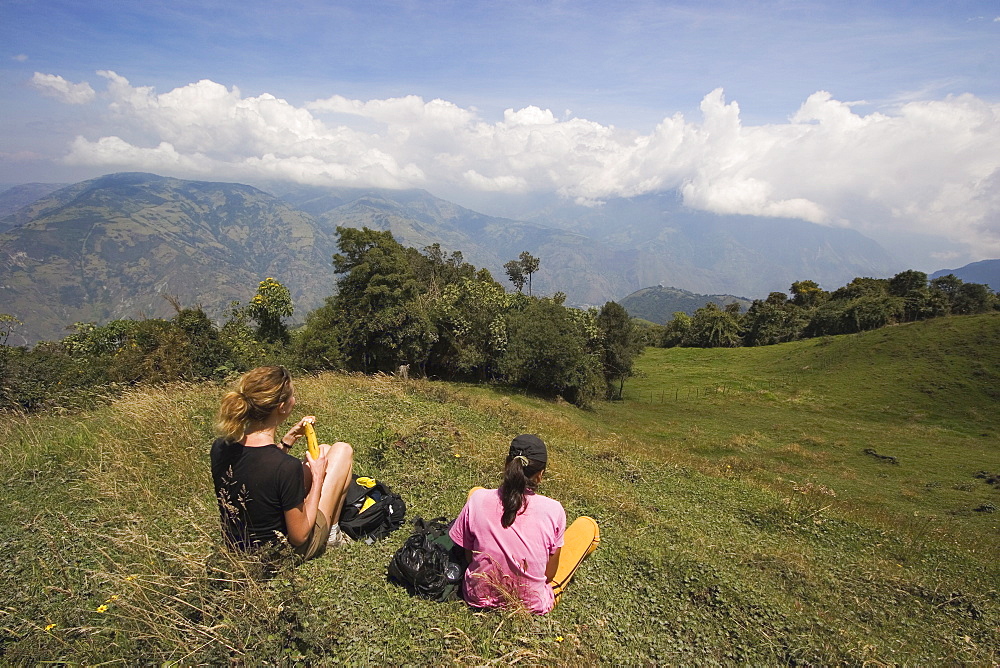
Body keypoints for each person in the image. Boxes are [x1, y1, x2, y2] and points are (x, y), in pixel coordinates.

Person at [211, 366, 354, 561]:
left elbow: (259, 468)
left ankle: (332, 531)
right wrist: (319, 477)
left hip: (239, 547)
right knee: (342, 451)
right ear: (282, 407)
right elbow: (299, 536)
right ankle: (331, 534)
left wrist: (287, 441)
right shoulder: (285, 466)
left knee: (326, 449)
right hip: (280, 554)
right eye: (292, 396)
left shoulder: (221, 447)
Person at [449, 434, 599, 614]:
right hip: (530, 604)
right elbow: (549, 575)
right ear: (540, 475)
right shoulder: (554, 509)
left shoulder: (478, 499)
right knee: (587, 525)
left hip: (477, 596)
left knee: (476, 491)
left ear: (507, 465)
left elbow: (469, 556)